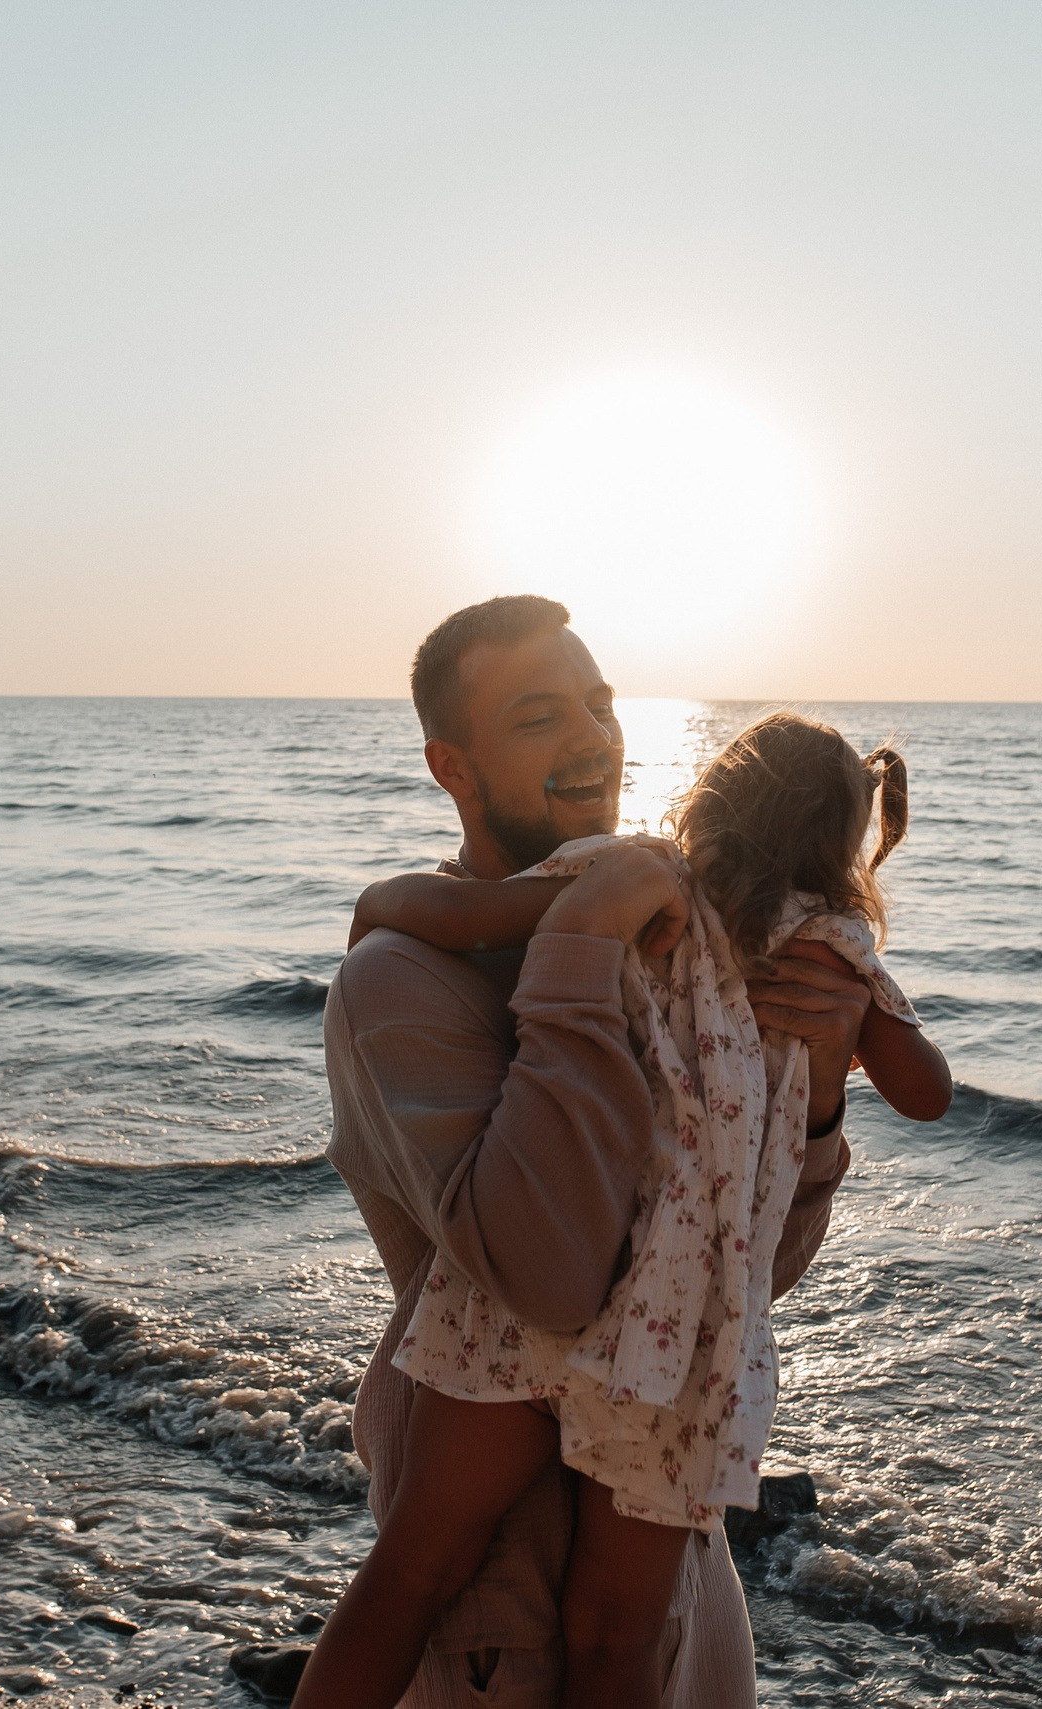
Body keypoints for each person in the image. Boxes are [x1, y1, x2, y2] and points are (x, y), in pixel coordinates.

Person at [309, 596, 943, 1707]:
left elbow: (752, 1266)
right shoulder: (403, 984)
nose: (592, 738)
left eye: (600, 704)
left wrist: (818, 1100)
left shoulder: (696, 933)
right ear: (451, 765)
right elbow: (547, 1278)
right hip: (499, 1611)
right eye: (540, 716)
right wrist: (569, 949)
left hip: (669, 1581)